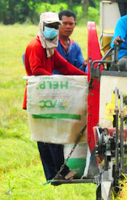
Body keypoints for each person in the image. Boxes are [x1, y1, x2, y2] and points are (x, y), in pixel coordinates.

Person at [23, 11, 85, 182]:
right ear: (42, 27)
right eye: (49, 26)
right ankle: (57, 173)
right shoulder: (36, 46)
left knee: (50, 136)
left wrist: (84, 77)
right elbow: (36, 70)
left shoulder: (49, 46)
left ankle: (57, 173)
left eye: (55, 26)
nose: (53, 29)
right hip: (40, 97)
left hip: (48, 96)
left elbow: (63, 65)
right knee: (46, 137)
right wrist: (59, 79)